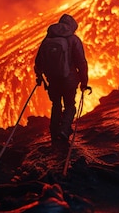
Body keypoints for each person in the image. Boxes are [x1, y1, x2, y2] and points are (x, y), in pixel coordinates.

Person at [34, 13, 90, 143]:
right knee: (70, 105)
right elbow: (81, 62)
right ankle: (64, 130)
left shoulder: (48, 38)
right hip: (69, 80)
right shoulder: (73, 39)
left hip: (52, 80)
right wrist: (84, 82)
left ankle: (54, 134)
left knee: (56, 105)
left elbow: (38, 62)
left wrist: (39, 76)